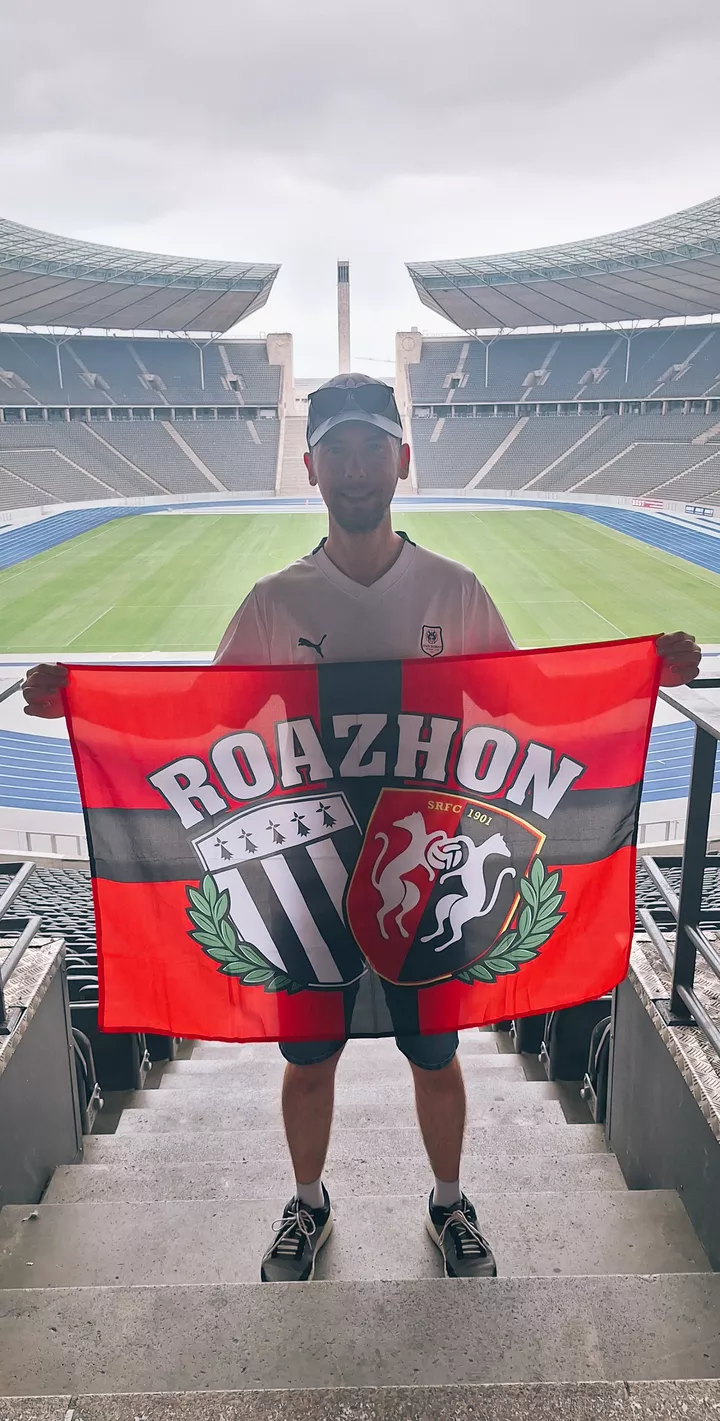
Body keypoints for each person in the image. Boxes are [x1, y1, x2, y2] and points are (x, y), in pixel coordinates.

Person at [24, 374, 701, 1286]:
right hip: (306, 883)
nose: (354, 468)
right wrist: (81, 704)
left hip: (427, 883)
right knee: (307, 1062)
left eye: (371, 447)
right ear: (311, 466)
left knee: (437, 1054)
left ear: (401, 460)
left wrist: (639, 673)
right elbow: (199, 718)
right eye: (336, 450)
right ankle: (308, 1203)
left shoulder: (454, 593)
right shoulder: (277, 601)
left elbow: (526, 710)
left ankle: (449, 1200)